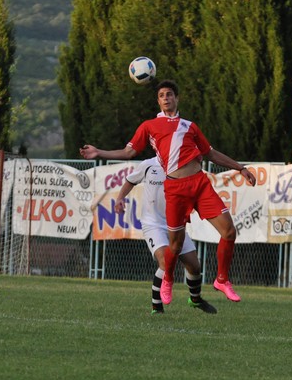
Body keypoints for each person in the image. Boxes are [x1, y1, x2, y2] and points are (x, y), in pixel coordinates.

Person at [80, 79, 256, 312]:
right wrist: (99, 152)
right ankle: (168, 281)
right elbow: (128, 151)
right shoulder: (150, 126)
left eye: (170, 94)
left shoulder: (189, 126)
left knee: (229, 231)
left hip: (199, 183)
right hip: (175, 189)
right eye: (162, 95)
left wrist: (240, 168)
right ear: (158, 101)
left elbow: (211, 153)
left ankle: (221, 280)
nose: (166, 98)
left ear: (177, 98)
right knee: (175, 245)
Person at [114, 157, 211, 314]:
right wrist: (119, 199)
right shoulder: (148, 165)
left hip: (176, 224)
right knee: (165, 261)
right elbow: (130, 181)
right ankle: (157, 307)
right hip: (153, 225)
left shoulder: (183, 165)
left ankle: (195, 299)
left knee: (194, 265)